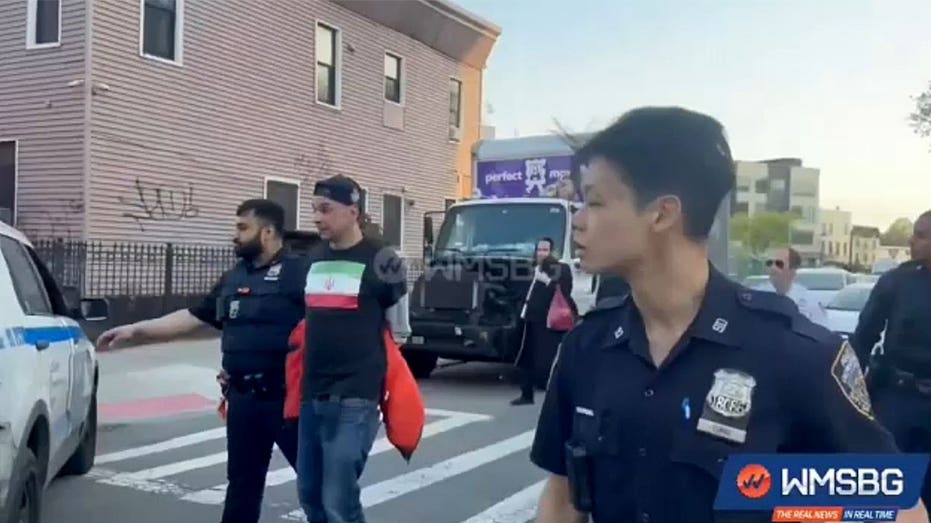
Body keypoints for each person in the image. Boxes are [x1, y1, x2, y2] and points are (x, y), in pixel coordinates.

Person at [529, 107, 929, 523]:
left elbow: (900, 511)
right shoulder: (587, 347)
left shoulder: (794, 355)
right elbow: (563, 496)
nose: (578, 221)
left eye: (594, 202)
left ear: (662, 214)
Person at [96, 199, 306, 523]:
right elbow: (195, 316)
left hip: (288, 400)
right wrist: (137, 330)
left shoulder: (300, 273)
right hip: (243, 399)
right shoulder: (235, 277)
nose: (234, 235)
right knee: (242, 487)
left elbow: (330, 327)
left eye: (242, 228)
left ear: (267, 232)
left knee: (318, 485)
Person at [297, 174, 409, 523]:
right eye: (314, 209)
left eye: (325, 209)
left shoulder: (384, 259)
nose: (317, 218)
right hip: (312, 394)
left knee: (338, 501)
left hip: (356, 397)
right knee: (310, 495)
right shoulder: (312, 257)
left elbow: (399, 330)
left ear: (353, 211)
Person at [852, 209, 931, 507]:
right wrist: (849, 394)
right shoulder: (896, 282)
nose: (911, 241)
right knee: (889, 490)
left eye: (921, 236)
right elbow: (863, 339)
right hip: (898, 399)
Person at [511, 237, 576, 405]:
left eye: (545, 250)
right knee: (526, 358)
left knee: (546, 360)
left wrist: (546, 280)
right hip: (528, 318)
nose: (541, 253)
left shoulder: (560, 269)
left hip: (548, 321)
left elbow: (565, 291)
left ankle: (557, 397)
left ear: (552, 252)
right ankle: (526, 394)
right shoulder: (531, 268)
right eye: (539, 250)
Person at [752, 245, 829, 326]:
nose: (772, 268)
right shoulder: (757, 296)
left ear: (793, 271)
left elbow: (821, 331)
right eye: (770, 263)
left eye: (779, 264)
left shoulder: (810, 303)